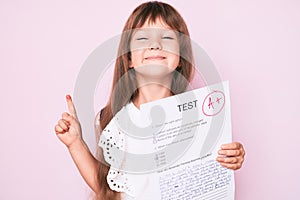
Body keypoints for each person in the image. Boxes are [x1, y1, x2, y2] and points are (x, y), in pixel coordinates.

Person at [54, 1, 245, 200]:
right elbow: (108, 189)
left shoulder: (200, 117)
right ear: (128, 59)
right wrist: (75, 143)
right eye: (143, 38)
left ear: (180, 57)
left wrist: (231, 157)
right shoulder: (111, 121)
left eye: (168, 37)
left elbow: (212, 171)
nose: (155, 45)